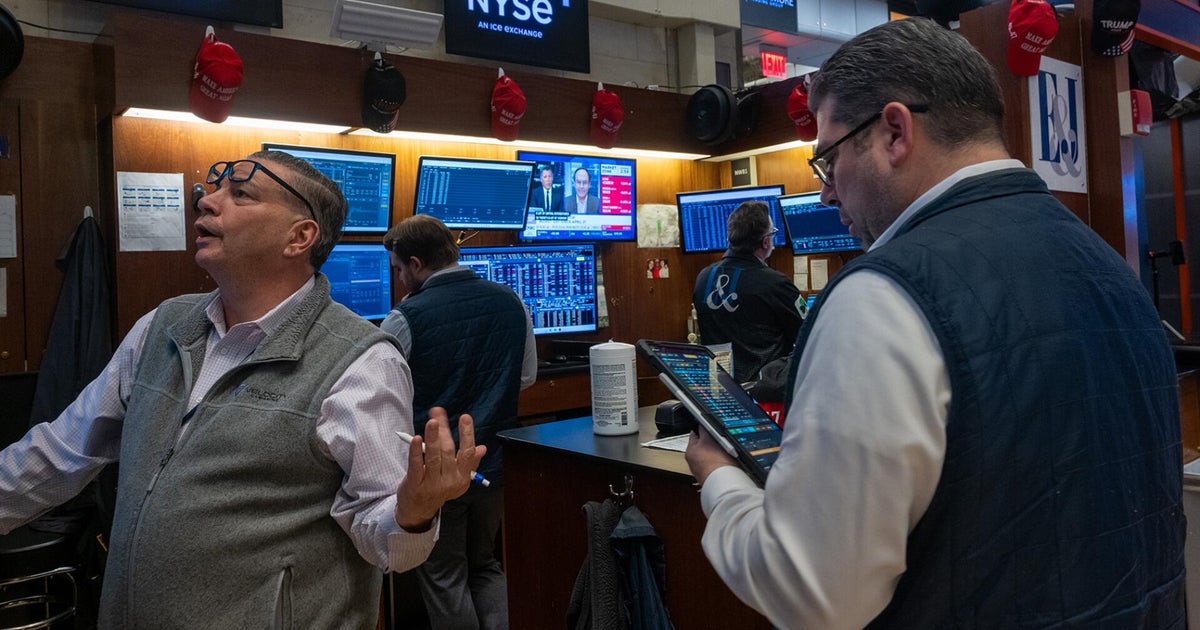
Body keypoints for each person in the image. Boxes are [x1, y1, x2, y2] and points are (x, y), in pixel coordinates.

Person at [685, 17, 1185, 629]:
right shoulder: (1112, 269)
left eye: (829, 160)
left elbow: (811, 592)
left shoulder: (881, 297)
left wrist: (721, 482)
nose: (825, 195)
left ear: (894, 132)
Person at [0, 150, 485, 630]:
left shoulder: (361, 362)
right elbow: (59, 453)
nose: (207, 201)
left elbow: (388, 548)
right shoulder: (161, 327)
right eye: (215, 189)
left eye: (241, 194)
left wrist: (414, 511)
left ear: (299, 237)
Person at [381, 214, 537, 630]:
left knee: (444, 574)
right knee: (484, 564)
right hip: (493, 463)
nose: (399, 279)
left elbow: (386, 395)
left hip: (438, 471)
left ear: (416, 264)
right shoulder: (512, 301)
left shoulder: (404, 317)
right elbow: (525, 377)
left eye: (398, 269)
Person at [692, 200, 802, 383]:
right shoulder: (775, 283)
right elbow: (807, 332)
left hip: (721, 389)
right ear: (766, 241)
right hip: (764, 390)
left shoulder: (704, 278)